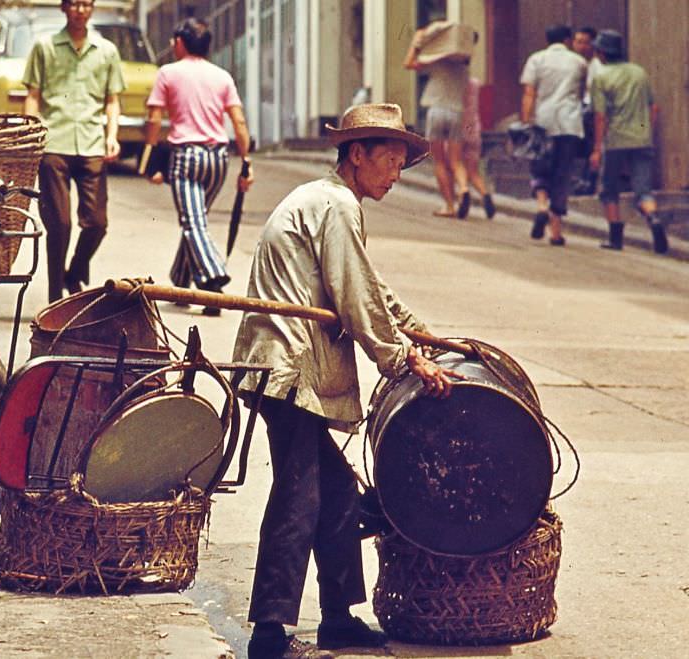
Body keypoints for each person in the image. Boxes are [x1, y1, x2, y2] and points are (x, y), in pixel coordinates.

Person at [232, 103, 461, 659]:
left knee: (334, 494)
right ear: (356, 155)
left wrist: (419, 333)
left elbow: (371, 287)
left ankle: (338, 617)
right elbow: (355, 297)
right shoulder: (334, 205)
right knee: (299, 498)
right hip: (288, 368)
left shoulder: (332, 202)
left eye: (401, 165)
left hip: (291, 369)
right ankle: (268, 629)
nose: (394, 174)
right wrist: (404, 358)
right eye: (387, 160)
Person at [145, 17, 253, 316]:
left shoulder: (168, 72)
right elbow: (239, 122)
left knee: (193, 223)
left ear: (180, 43)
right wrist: (246, 162)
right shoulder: (223, 76)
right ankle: (181, 280)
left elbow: (154, 120)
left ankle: (212, 279)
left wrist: (151, 159)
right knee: (196, 218)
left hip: (186, 157)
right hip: (218, 159)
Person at [23, 0, 125, 302]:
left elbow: (112, 100)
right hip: (54, 143)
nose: (80, 10)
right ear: (64, 8)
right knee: (60, 224)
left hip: (92, 142)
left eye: (86, 4)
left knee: (97, 222)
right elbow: (33, 95)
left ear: (92, 8)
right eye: (75, 4)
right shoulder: (45, 47)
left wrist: (112, 136)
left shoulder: (106, 51)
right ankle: (55, 296)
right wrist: (34, 131)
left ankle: (75, 270)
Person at [589, 29, 668, 254]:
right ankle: (653, 218)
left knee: (608, 189)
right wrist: (644, 131)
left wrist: (596, 149)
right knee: (643, 190)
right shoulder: (639, 72)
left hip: (615, 139)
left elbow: (600, 116)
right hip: (642, 139)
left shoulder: (601, 77)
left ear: (602, 52)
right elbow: (653, 108)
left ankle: (615, 237)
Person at [520, 24, 587, 246]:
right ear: (567, 40)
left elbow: (529, 93)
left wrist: (526, 120)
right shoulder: (579, 62)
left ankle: (541, 207)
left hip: (543, 122)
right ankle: (555, 233)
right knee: (562, 175)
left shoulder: (536, 59)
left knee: (539, 168)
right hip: (569, 124)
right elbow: (582, 92)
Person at [403, 22, 475, 219]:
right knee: (456, 160)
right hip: (456, 114)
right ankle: (463, 188)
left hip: (436, 112)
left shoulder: (436, 63)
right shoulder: (463, 68)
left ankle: (449, 206)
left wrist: (417, 43)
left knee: (439, 161)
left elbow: (408, 63)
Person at [459, 77, 495, 218]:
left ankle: (463, 192)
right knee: (473, 171)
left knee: (456, 164)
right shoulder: (475, 83)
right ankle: (485, 194)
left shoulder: (457, 83)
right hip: (474, 128)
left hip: (459, 128)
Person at [572, 26, 602, 196]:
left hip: (593, 111)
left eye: (585, 43)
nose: (581, 46)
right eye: (578, 42)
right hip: (583, 109)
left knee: (592, 149)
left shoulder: (597, 66)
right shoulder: (581, 64)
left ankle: (588, 181)